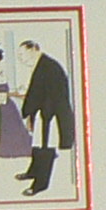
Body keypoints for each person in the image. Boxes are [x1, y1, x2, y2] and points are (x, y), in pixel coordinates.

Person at [14, 39, 75, 196]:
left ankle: (40, 184)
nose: (21, 58)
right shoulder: (42, 64)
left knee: (46, 149)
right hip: (42, 113)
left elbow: (51, 96)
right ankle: (33, 172)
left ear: (33, 49)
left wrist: (31, 111)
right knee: (37, 145)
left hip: (50, 115)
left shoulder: (49, 67)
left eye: (22, 54)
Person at [0, 45, 31, 159]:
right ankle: (8, 150)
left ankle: (14, 150)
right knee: (7, 126)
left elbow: (2, 89)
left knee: (11, 126)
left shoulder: (0, 71)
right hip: (2, 102)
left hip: (5, 102)